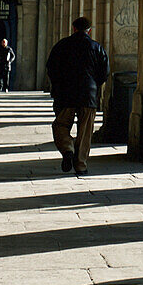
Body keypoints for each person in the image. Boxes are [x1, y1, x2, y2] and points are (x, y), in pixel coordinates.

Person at [46, 17, 108, 176]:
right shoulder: (96, 47)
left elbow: (51, 68)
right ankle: (81, 165)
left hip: (66, 93)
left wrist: (58, 85)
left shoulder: (61, 45)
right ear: (89, 30)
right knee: (85, 130)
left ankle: (67, 148)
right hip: (88, 94)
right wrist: (94, 85)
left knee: (60, 125)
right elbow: (104, 72)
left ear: (73, 29)